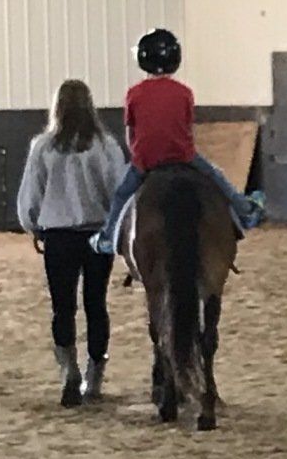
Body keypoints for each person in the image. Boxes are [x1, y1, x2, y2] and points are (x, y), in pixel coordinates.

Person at [92, 28, 263, 254]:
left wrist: (138, 155)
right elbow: (186, 128)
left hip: (146, 160)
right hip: (183, 156)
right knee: (216, 177)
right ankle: (245, 210)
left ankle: (107, 236)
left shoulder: (133, 93)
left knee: (122, 194)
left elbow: (130, 134)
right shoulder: (185, 92)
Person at [17, 79, 128, 406]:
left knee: (62, 306)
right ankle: (95, 375)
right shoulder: (106, 146)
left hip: (58, 236)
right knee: (96, 305)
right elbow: (117, 192)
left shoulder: (43, 147)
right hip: (96, 236)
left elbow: (30, 196)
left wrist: (33, 225)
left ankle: (68, 371)